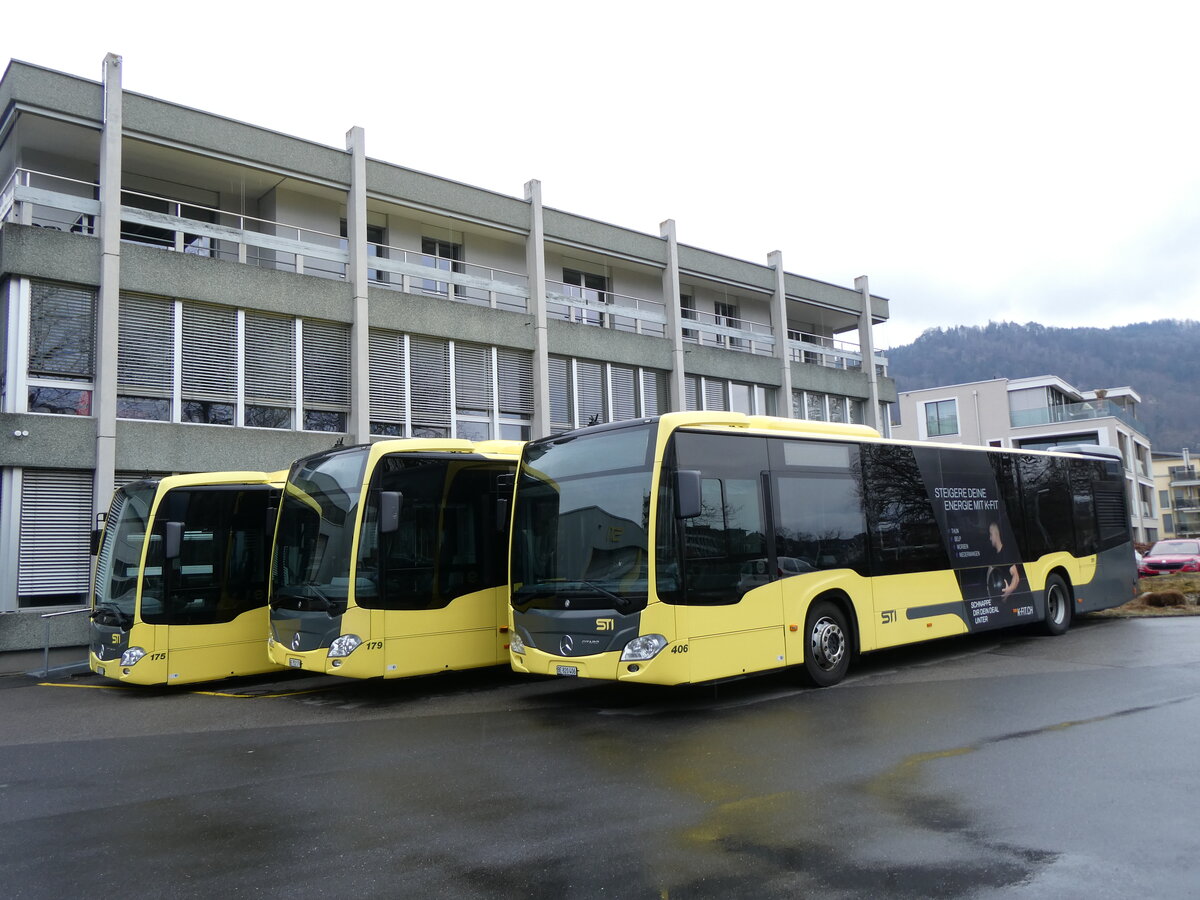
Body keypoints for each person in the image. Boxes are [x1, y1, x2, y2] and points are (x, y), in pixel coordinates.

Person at [988, 522, 1021, 598]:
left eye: (991, 535)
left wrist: (1009, 590)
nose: (990, 538)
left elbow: (1016, 577)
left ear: (996, 534)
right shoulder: (993, 555)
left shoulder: (1005, 553)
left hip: (1006, 600)